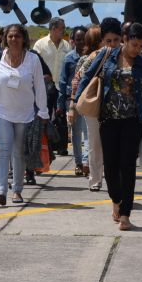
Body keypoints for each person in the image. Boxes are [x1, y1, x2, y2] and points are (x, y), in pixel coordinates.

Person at [76, 22, 142, 231]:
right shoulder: (107, 55)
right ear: (125, 39)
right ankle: (116, 199)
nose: (138, 49)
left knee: (127, 167)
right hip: (108, 119)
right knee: (110, 166)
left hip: (133, 120)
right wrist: (75, 102)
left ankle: (126, 213)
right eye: (134, 44)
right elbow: (87, 76)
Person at [0, 24, 49, 206]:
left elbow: (39, 86)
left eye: (17, 36)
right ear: (5, 38)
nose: (13, 39)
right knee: (3, 150)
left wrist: (43, 111)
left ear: (23, 39)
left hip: (25, 114)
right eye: (10, 36)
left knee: (19, 152)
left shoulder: (33, 59)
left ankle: (17, 189)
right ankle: (1, 189)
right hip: (1, 112)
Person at [68, 23, 113, 192]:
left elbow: (75, 82)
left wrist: (73, 105)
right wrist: (73, 105)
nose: (108, 42)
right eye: (105, 39)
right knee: (95, 142)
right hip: (94, 104)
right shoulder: (88, 59)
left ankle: (100, 178)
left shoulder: (116, 55)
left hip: (108, 105)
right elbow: (76, 82)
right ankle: (96, 178)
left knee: (97, 142)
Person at [33, 17, 71, 156]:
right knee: (45, 116)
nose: (64, 30)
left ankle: (62, 146)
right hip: (45, 87)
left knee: (62, 118)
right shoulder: (40, 44)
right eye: (62, 28)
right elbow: (34, 64)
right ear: (54, 29)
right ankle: (46, 147)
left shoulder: (67, 46)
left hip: (61, 87)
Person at [59, 26, 88, 176]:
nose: (81, 42)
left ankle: (87, 162)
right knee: (76, 133)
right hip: (73, 100)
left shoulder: (93, 56)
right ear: (73, 41)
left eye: (83, 39)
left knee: (88, 132)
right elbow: (63, 81)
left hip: (89, 99)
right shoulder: (69, 58)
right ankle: (78, 163)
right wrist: (61, 102)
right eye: (78, 39)